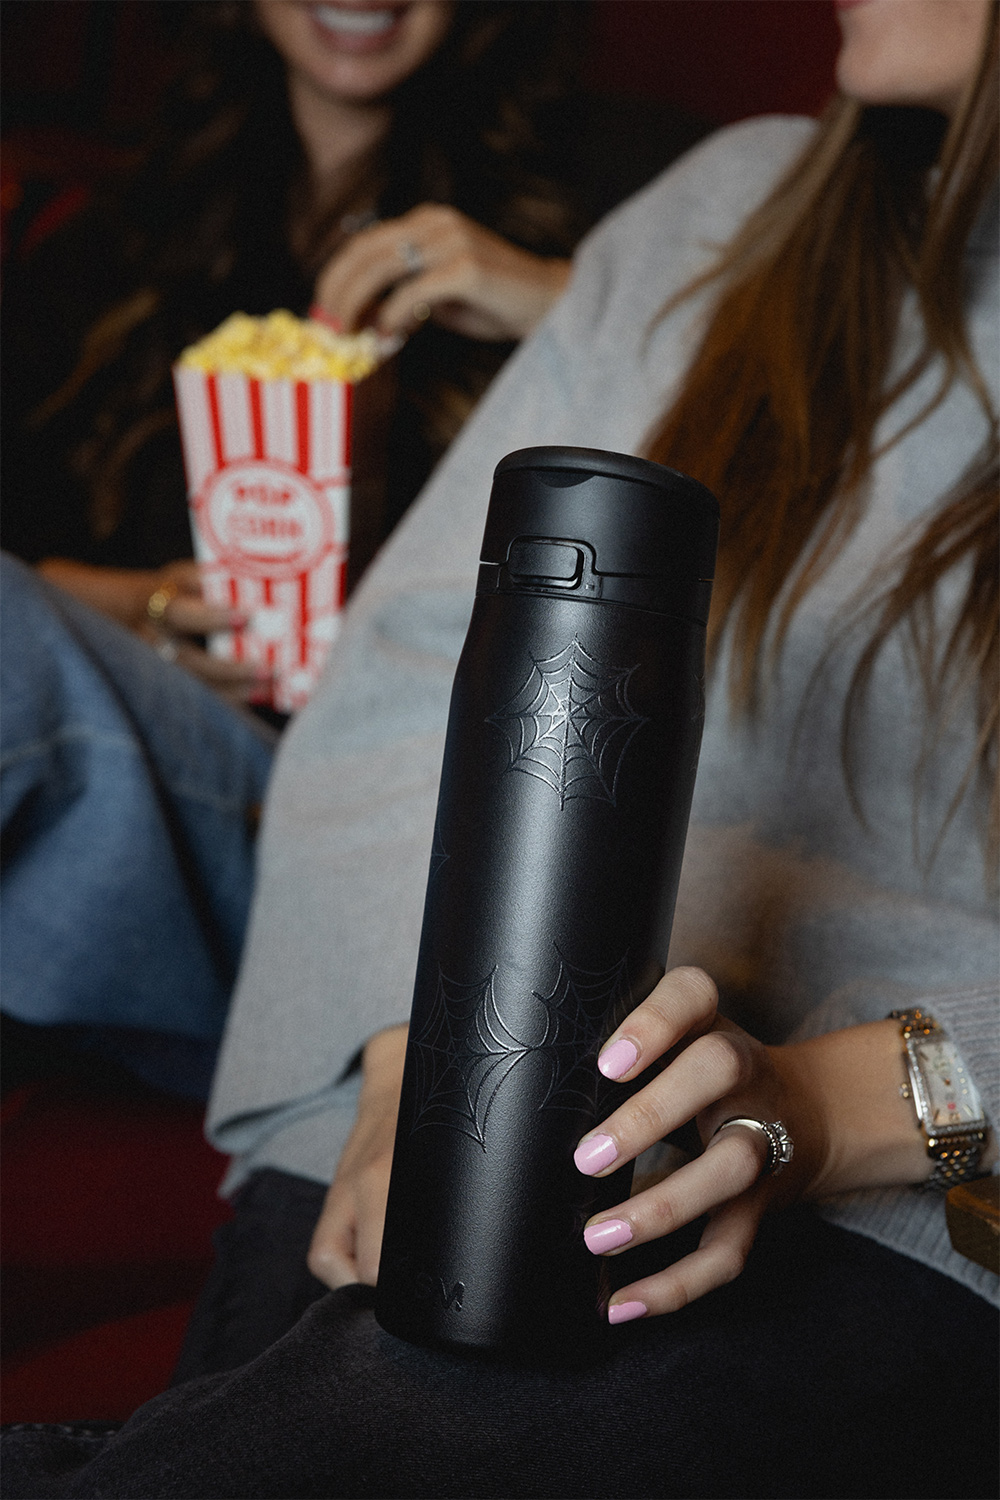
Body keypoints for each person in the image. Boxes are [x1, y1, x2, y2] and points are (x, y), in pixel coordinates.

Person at [2, 0, 996, 1495]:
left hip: (890, 1160)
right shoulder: (729, 204)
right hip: (453, 1002)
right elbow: (410, 658)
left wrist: (840, 1104)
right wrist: (414, 1058)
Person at [0, 0, 705, 1095]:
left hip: (439, 827)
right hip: (191, 798)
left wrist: (562, 301)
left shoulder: (626, 188)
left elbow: (825, 436)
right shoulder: (134, 229)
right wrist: (126, 606)